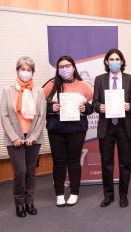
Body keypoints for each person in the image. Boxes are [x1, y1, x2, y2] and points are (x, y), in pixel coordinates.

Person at [93, 48, 131, 208]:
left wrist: (130, 106)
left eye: (117, 59)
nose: (114, 62)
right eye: (111, 59)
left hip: (124, 126)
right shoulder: (99, 80)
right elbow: (95, 102)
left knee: (124, 163)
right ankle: (108, 195)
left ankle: (123, 195)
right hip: (106, 127)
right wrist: (99, 107)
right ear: (107, 62)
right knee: (106, 163)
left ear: (122, 61)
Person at [43, 56, 94, 207]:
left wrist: (85, 109)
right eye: (61, 67)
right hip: (56, 129)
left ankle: (74, 192)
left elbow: (91, 107)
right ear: (57, 69)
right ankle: (59, 193)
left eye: (67, 66)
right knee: (59, 162)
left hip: (77, 129)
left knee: (73, 161)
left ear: (73, 67)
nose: (64, 69)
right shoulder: (50, 85)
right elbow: (38, 106)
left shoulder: (84, 85)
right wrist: (51, 108)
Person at [0, 56, 46, 217]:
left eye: (29, 70)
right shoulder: (8, 90)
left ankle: (29, 202)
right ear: (17, 70)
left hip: (33, 137)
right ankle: (19, 203)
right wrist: (14, 137)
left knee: (31, 172)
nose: (25, 72)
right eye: (23, 69)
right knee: (20, 171)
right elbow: (4, 116)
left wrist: (33, 136)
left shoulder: (38, 90)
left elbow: (41, 116)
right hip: (15, 139)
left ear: (32, 72)